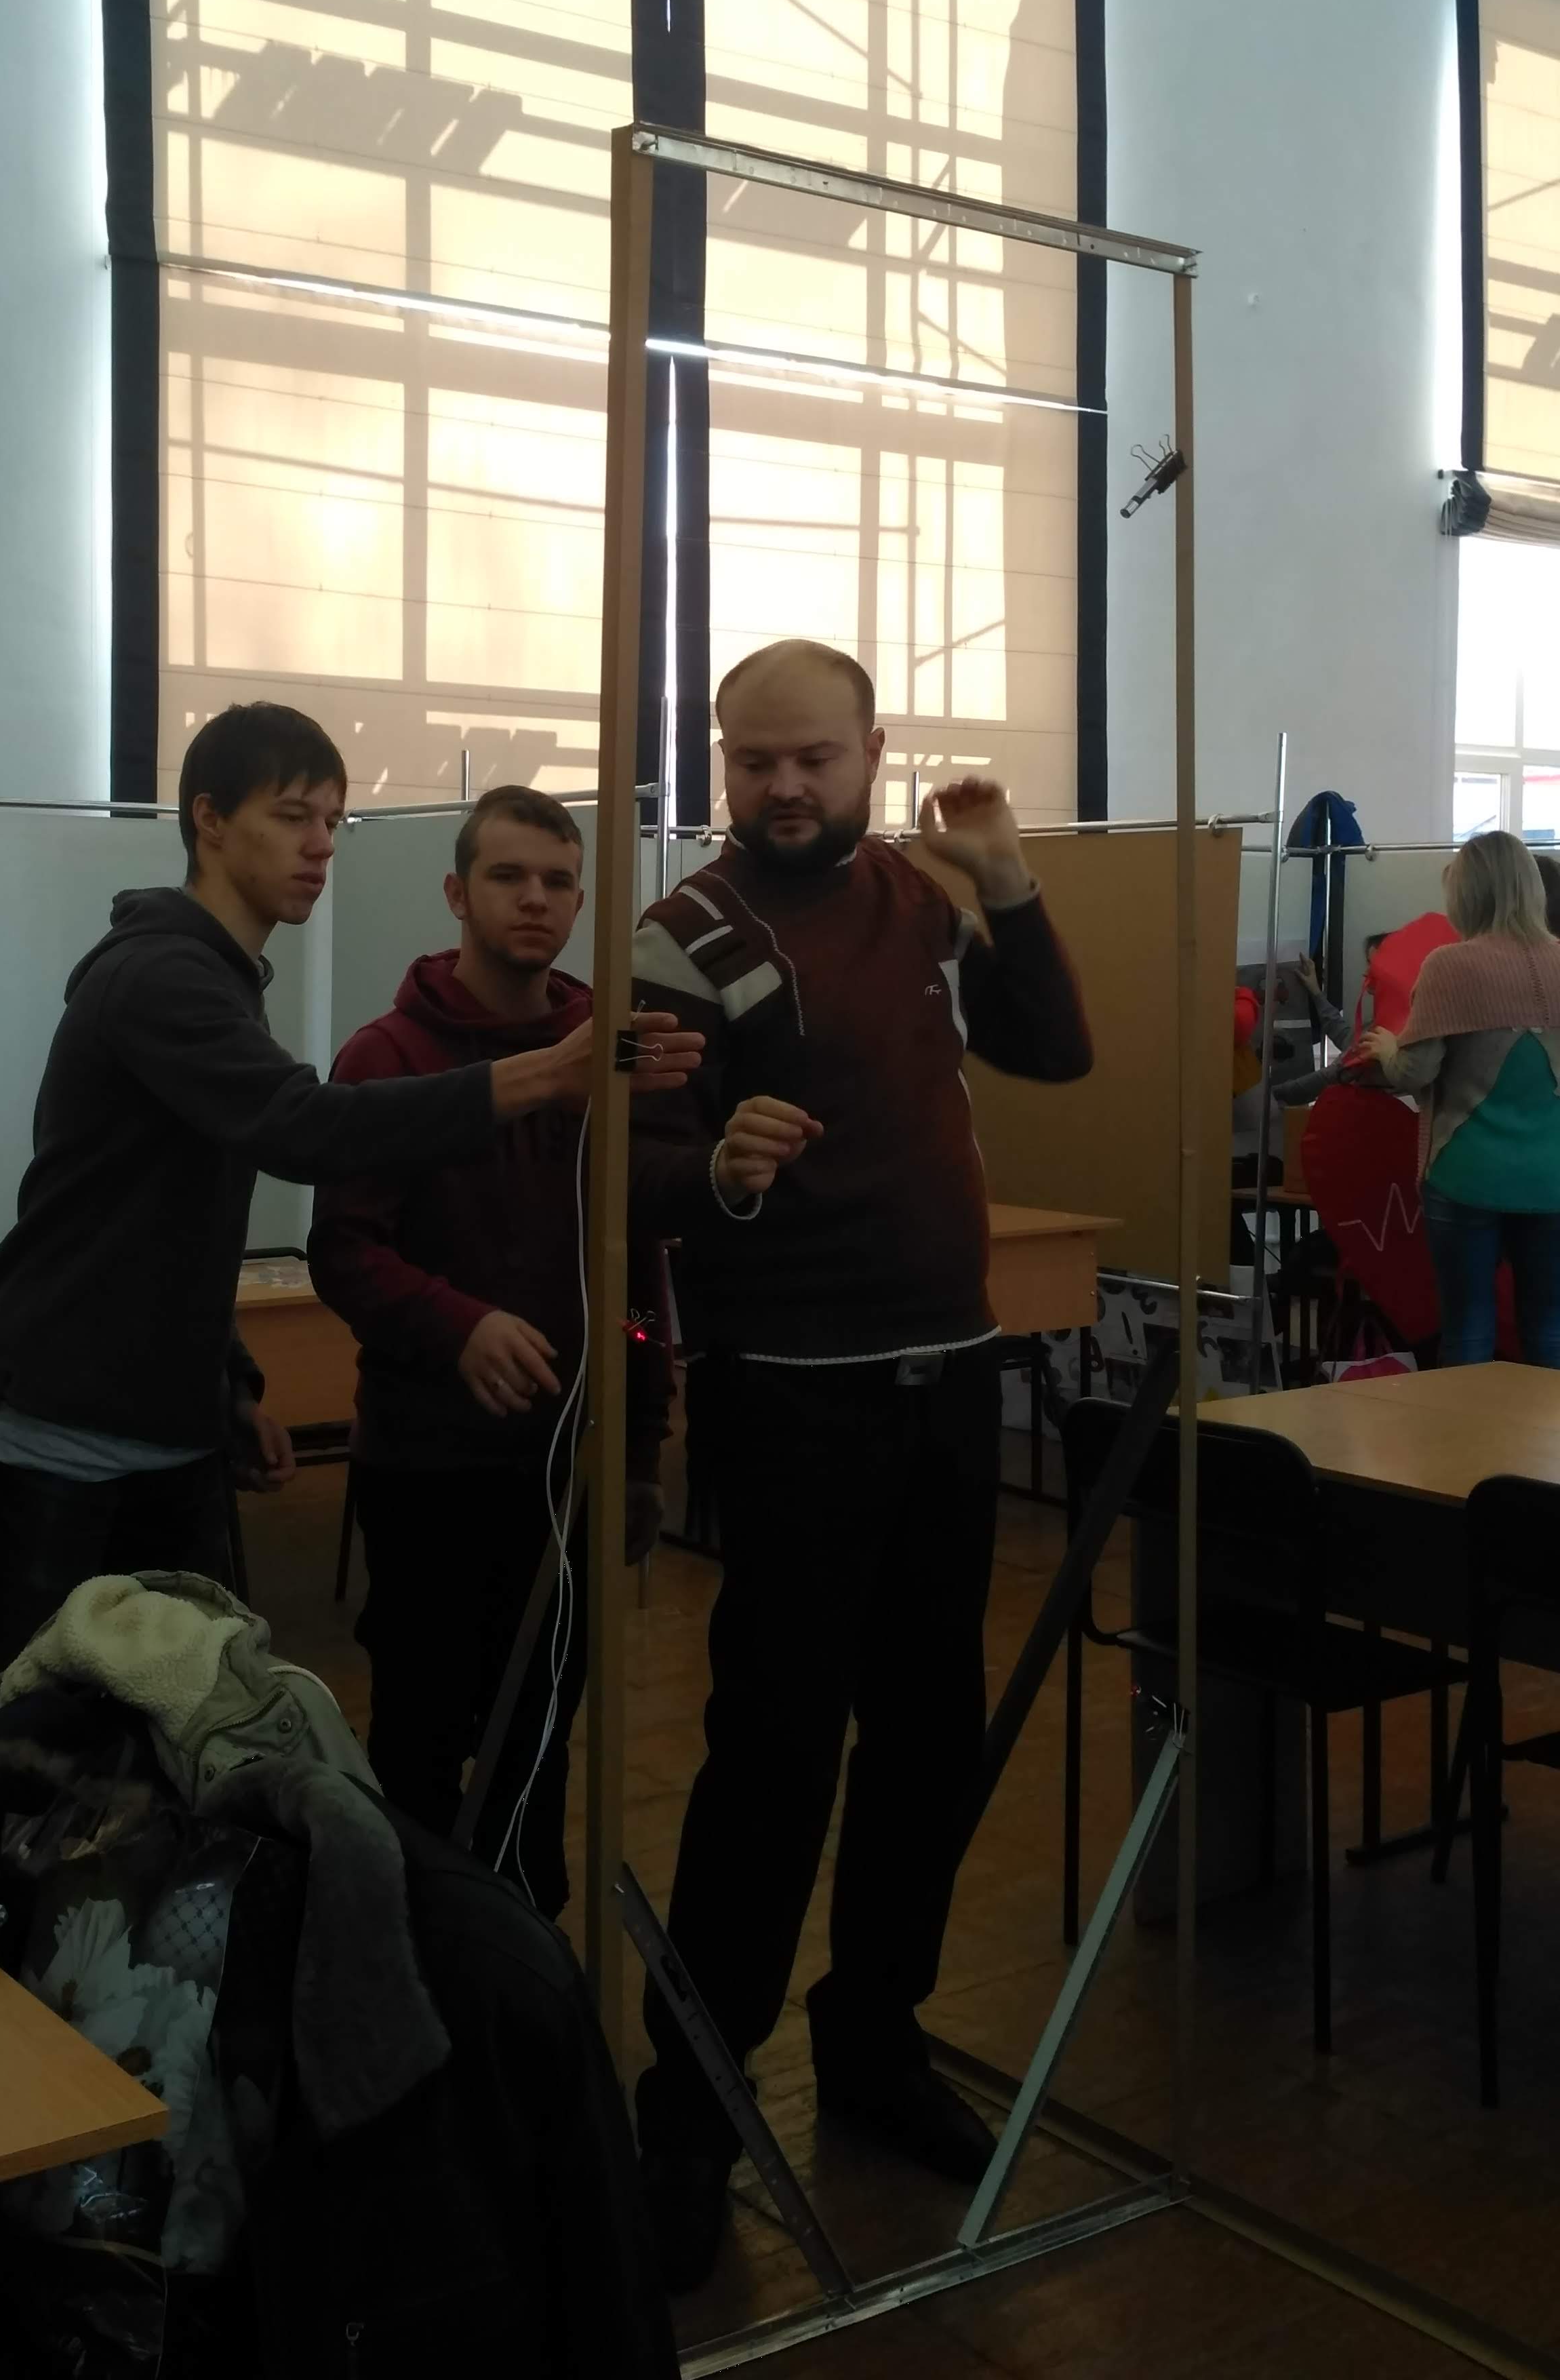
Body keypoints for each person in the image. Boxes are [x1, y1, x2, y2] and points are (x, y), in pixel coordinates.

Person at [625, 639, 1092, 2291]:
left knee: (925, 1738)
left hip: (944, 1371)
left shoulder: (919, 897)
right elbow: (632, 1166)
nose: (781, 786)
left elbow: (1053, 1050)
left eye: (812, 756)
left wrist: (1012, 883)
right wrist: (722, 1170)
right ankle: (689, 2110)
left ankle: (874, 2039)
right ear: (720, 760)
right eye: (752, 759)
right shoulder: (680, 935)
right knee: (770, 1752)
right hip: (790, 1395)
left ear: (872, 750)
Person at [0, 705, 703, 1687]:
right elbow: (305, 1129)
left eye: (333, 821)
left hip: (165, 1426)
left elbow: (168, 1222)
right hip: (62, 1425)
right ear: (210, 819)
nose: (322, 845)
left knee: (175, 1727)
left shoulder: (219, 978)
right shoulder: (161, 976)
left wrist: (227, 1384)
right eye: (293, 816)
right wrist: (543, 1076)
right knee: (25, 1727)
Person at [308, 786, 811, 1918]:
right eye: (507, 877)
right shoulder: (387, 1057)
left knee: (542, 1736)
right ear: (457, 893)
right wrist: (458, 1326)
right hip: (430, 1469)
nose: (534, 900)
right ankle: (416, 1956)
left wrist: (639, 1451)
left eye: (557, 882)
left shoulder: (614, 1050)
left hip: (569, 1469)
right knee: (424, 1737)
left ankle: (523, 1961)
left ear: (582, 902)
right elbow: (346, 1251)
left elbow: (636, 1263)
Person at [1359, 831, 1560, 1368]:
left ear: (1468, 893)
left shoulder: (1450, 966)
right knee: (1549, 1331)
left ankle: (1465, 1430)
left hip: (1466, 1173)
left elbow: (1415, 1073)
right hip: (1553, 1178)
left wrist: (1389, 1048)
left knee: (1468, 1330)